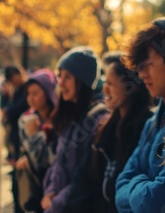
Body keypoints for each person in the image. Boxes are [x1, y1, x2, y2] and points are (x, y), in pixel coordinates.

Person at [115, 17, 165, 213]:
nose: (141, 74)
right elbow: (119, 186)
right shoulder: (152, 122)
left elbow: (157, 203)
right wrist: (144, 188)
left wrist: (136, 186)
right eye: (139, 67)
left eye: (147, 65)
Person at [64, 51, 153, 213]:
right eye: (104, 81)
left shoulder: (145, 129)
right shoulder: (105, 128)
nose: (104, 90)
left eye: (110, 84)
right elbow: (83, 179)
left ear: (129, 85)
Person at [41, 46, 110, 213]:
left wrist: (55, 204)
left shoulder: (97, 119)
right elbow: (60, 162)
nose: (61, 83)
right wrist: (51, 191)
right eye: (60, 76)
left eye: (68, 77)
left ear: (83, 81)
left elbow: (84, 180)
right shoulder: (70, 114)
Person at [15, 69, 58, 212]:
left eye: (35, 93)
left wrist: (35, 136)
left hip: (55, 185)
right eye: (28, 94)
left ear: (48, 92)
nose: (30, 98)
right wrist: (25, 157)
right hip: (34, 185)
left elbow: (51, 158)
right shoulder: (25, 119)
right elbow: (25, 151)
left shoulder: (60, 119)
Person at [4, 65, 30, 213]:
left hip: (23, 142)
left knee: (19, 183)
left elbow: (15, 109)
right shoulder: (16, 90)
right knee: (16, 182)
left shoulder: (25, 88)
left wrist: (8, 111)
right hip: (17, 140)